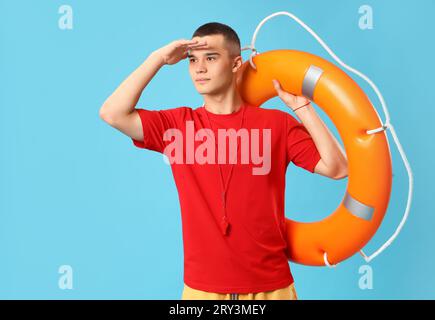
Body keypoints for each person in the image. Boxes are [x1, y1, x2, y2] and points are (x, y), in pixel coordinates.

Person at [99, 22, 348, 300]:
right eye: (192, 60)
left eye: (211, 57)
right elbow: (112, 113)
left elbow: (337, 168)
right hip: (202, 290)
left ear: (235, 63)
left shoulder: (276, 124)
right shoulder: (178, 126)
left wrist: (302, 108)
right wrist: (158, 59)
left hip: (271, 287)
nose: (199, 68)